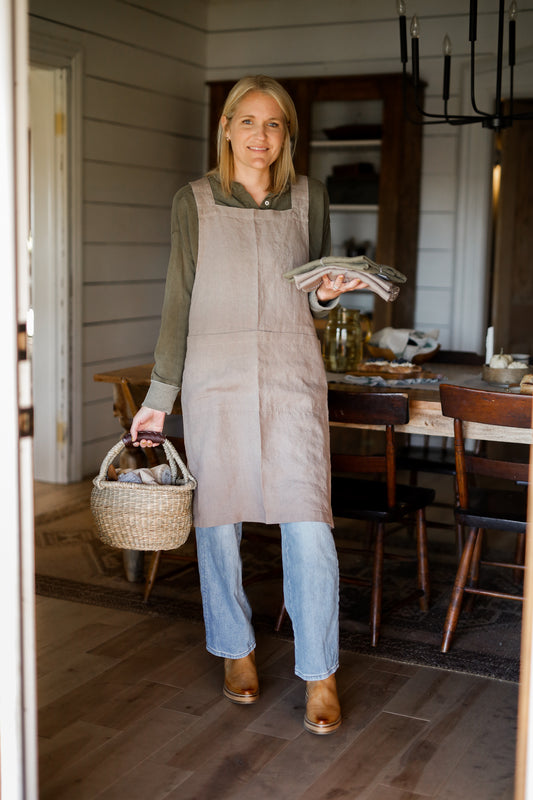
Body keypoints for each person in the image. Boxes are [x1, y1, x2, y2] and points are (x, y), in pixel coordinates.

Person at [129, 75, 367, 735]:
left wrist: (329, 292)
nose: (260, 138)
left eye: (274, 125)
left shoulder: (308, 197)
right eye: (248, 122)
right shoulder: (194, 201)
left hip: (292, 372)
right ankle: (235, 650)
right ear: (227, 127)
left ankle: (319, 670)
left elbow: (312, 291)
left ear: (285, 135)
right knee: (217, 520)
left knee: (309, 524)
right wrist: (158, 398)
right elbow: (178, 298)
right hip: (215, 375)